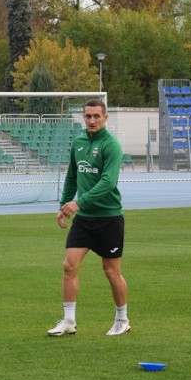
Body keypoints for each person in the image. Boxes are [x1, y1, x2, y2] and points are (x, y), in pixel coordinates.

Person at [48, 99, 129, 337]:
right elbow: (72, 176)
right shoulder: (80, 142)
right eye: (87, 116)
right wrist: (64, 206)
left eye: (96, 116)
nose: (91, 121)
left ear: (105, 118)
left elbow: (108, 182)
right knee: (69, 265)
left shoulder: (111, 145)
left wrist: (79, 202)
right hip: (84, 218)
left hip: (108, 217)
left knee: (111, 271)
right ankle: (69, 320)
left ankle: (122, 319)